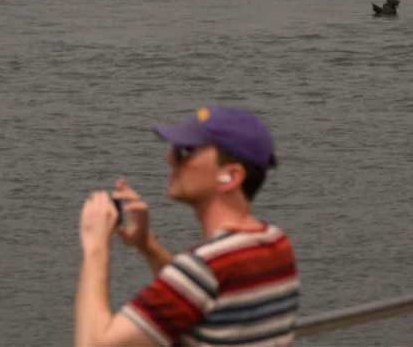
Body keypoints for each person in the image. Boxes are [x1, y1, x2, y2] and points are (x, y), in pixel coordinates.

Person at [74, 106, 299, 347]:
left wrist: (95, 246)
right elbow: (200, 297)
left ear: (230, 176)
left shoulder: (205, 267)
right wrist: (146, 245)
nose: (170, 159)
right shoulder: (275, 243)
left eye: (185, 151)